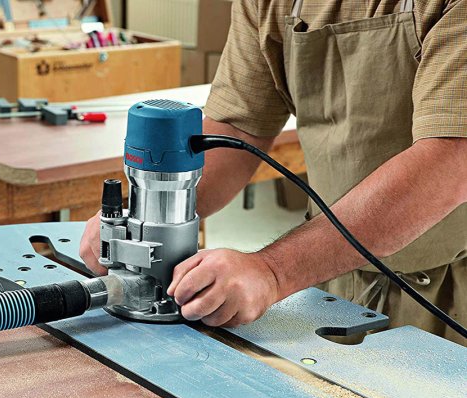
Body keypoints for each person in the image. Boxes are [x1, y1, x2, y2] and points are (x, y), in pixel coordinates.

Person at [80, 0, 466, 343]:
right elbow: (236, 125)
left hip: (450, 292)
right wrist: (142, 220)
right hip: (328, 271)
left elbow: (451, 160)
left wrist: (273, 271)